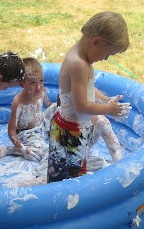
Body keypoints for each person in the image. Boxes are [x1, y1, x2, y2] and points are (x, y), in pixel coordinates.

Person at [47, 11, 131, 183]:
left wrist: (105, 99)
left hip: (70, 127)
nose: (106, 58)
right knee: (72, 181)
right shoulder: (78, 64)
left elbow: (88, 87)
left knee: (62, 172)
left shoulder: (83, 58)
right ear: (95, 42)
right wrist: (109, 109)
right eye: (107, 54)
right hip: (69, 132)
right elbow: (81, 106)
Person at [0, 57, 54, 162]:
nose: (38, 87)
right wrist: (22, 149)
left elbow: (50, 105)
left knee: (58, 110)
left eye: (41, 81)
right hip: (28, 133)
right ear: (22, 84)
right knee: (42, 153)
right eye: (32, 83)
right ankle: (10, 150)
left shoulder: (42, 92)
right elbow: (11, 131)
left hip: (42, 126)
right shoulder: (19, 102)